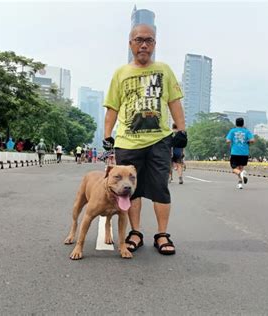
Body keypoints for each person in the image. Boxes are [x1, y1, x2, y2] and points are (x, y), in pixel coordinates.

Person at [102, 24, 186, 256]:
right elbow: (112, 108)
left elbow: (175, 102)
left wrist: (181, 131)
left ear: (154, 45)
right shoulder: (120, 73)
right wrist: (107, 136)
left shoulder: (164, 70)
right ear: (130, 44)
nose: (144, 45)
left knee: (160, 187)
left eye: (149, 40)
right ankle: (136, 232)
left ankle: (162, 234)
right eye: (138, 40)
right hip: (127, 142)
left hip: (159, 140)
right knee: (130, 191)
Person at [225, 117, 254, 189]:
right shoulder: (246, 131)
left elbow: (228, 140)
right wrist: (247, 142)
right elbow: (252, 140)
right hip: (244, 153)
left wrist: (232, 142)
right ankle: (240, 184)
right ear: (243, 124)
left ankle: (241, 174)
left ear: (236, 123)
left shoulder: (232, 131)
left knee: (234, 169)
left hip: (235, 152)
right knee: (240, 168)